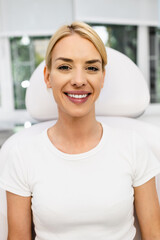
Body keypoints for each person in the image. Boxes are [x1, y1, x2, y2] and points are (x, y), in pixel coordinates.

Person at [0, 21, 160, 240]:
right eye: (65, 67)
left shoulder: (134, 146)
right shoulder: (21, 154)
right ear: (48, 77)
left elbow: (154, 234)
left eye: (91, 68)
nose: (78, 80)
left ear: (102, 77)